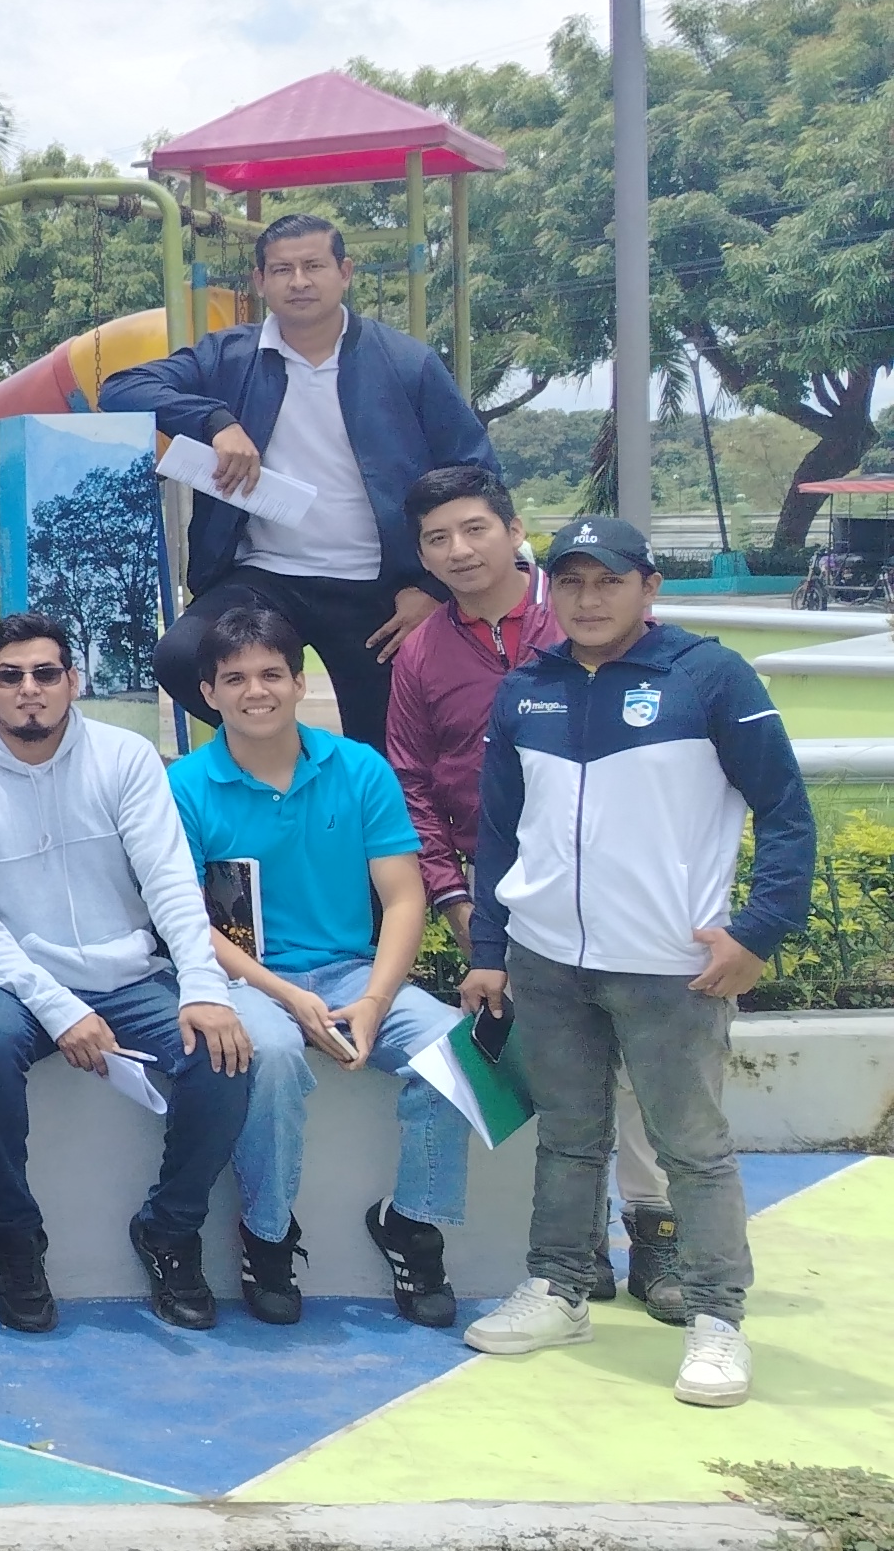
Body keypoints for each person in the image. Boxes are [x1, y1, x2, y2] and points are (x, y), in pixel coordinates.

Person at [459, 516, 815, 1411]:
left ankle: (717, 1318)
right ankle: (559, 1288)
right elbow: (499, 833)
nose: (588, 599)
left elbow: (786, 811)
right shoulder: (527, 688)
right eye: (572, 582)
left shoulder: (710, 677)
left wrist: (759, 931)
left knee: (692, 1149)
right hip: (548, 960)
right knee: (569, 1138)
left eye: (609, 581)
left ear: (649, 589)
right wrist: (491, 949)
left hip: (671, 967)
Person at [0, 610, 254, 1332]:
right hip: (11, 980)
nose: (28, 690)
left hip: (130, 973)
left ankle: (169, 1230)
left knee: (222, 1056)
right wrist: (63, 1009)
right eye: (9, 676)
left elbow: (169, 882)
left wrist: (204, 987)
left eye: (45, 673)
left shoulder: (126, 758)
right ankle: (14, 1240)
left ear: (73, 680)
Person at [385, 460, 676, 1312]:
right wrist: (457, 901)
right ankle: (578, 1241)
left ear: (515, 531)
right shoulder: (422, 653)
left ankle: (656, 1230)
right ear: (422, 557)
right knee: (552, 1060)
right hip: (496, 888)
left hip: (617, 876)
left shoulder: (585, 614)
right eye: (438, 539)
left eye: (475, 528)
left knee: (638, 1061)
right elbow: (413, 785)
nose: (459, 550)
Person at [170, 605, 473, 1329]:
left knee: (457, 1051)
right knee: (269, 1053)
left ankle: (411, 1223)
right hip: (246, 979)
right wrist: (284, 995)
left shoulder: (359, 769)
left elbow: (404, 898)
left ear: (300, 682)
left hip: (348, 973)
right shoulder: (185, 786)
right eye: (235, 679)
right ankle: (268, 1235)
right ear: (209, 693)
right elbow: (188, 922)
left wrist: (373, 1001)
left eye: (272, 674)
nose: (256, 691)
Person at [102, 213, 499, 749]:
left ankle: (338, 778)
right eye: (282, 270)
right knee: (182, 656)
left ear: (345, 272)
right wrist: (215, 422)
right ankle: (297, 760)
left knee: (389, 752)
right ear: (259, 281)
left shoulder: (407, 363)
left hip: (380, 589)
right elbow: (122, 388)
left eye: (314, 266)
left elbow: (475, 474)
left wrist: (433, 589)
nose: (299, 281)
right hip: (265, 578)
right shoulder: (229, 358)